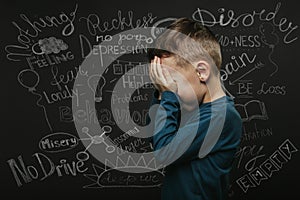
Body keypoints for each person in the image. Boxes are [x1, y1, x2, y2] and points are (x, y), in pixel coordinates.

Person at [147, 18, 242, 200]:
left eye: (173, 82)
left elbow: (163, 153)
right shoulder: (193, 109)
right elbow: (154, 136)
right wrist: (161, 94)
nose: (170, 91)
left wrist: (168, 96)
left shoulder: (222, 117)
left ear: (201, 72)